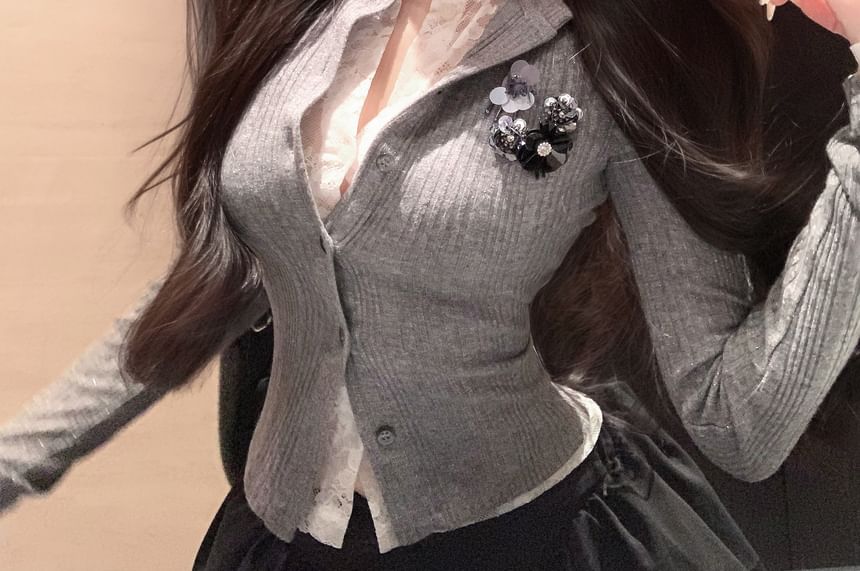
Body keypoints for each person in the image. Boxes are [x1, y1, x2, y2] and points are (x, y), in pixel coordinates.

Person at [2, 0, 859, 569]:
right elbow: (213, 283)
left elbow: (738, 417)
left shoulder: (605, 53)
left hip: (524, 535)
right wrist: (14, 461)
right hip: (278, 538)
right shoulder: (294, 21)